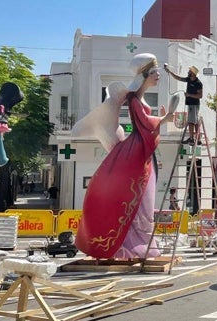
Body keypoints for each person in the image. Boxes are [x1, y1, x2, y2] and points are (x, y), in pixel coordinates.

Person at [74, 53, 174, 259]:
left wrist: (162, 118)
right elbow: (145, 123)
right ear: (145, 75)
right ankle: (132, 245)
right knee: (140, 200)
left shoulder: (140, 99)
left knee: (144, 201)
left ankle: (141, 244)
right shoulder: (135, 100)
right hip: (135, 155)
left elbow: (147, 121)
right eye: (155, 72)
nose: (158, 75)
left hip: (141, 156)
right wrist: (164, 119)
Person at [164, 64, 203, 145]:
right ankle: (197, 139)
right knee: (194, 121)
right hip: (190, 104)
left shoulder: (198, 83)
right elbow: (179, 78)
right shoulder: (189, 79)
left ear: (193, 73)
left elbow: (200, 96)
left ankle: (192, 138)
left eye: (189, 71)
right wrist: (169, 72)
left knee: (191, 122)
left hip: (194, 104)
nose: (188, 72)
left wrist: (189, 95)